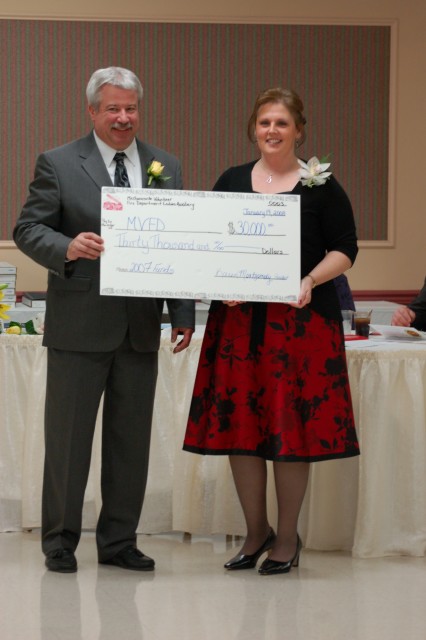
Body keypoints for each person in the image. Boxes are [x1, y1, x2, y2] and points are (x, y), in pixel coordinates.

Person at [13, 66, 195, 573]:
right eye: (112, 107)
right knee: (68, 442)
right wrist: (66, 246)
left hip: (140, 327)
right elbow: (27, 228)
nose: (123, 117)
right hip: (79, 324)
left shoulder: (166, 165)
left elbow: (178, 244)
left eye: (131, 107)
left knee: (129, 442)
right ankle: (60, 541)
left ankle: (119, 542)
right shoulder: (58, 162)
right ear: (92, 110)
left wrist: (181, 313)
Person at [183, 87, 359, 576]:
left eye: (282, 123)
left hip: (301, 329)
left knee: (289, 433)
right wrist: (223, 283)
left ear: (299, 130)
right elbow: (213, 245)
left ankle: (286, 537)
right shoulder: (232, 180)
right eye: (264, 123)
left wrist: (310, 279)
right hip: (239, 326)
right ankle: (254, 531)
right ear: (253, 129)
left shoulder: (322, 185)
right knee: (242, 430)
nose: (272, 131)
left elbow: (346, 248)